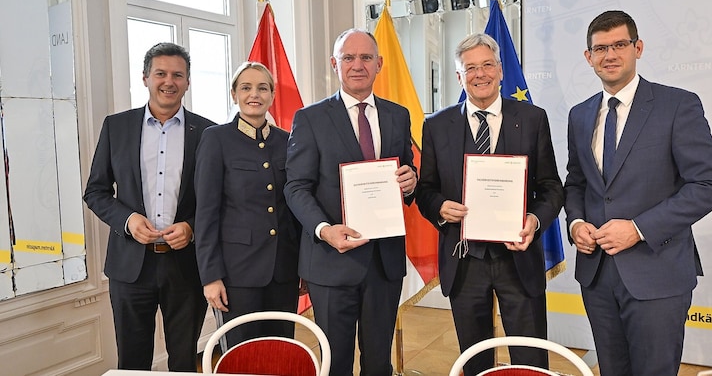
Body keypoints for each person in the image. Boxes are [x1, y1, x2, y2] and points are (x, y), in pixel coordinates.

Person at [564, 10, 712, 376]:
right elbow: (576, 183)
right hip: (597, 274)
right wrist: (576, 223)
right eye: (600, 48)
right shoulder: (580, 114)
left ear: (638, 48)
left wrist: (637, 228)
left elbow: (710, 184)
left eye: (619, 45)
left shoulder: (677, 105)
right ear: (588, 58)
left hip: (658, 272)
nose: (610, 55)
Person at [415, 33, 564, 376]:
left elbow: (552, 187)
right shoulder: (436, 125)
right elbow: (425, 189)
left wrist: (534, 220)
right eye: (470, 68)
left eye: (486, 65)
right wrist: (438, 207)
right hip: (464, 260)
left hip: (519, 258)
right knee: (475, 361)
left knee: (529, 360)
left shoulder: (532, 118)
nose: (479, 74)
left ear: (500, 70)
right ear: (459, 77)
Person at [284, 28, 417, 376]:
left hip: (383, 262)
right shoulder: (310, 118)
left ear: (379, 64)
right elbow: (296, 187)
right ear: (334, 64)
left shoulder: (398, 115)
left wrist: (410, 180)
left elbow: (407, 172)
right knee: (335, 363)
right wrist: (324, 230)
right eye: (348, 57)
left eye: (365, 57)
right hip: (330, 261)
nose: (357, 65)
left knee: (378, 363)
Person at [83, 42, 215, 371]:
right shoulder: (117, 127)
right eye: (160, 73)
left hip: (186, 266)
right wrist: (127, 220)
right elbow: (96, 191)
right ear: (145, 78)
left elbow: (219, 199)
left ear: (187, 82)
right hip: (130, 268)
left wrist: (192, 227)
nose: (168, 81)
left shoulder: (209, 132)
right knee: (132, 360)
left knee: (184, 360)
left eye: (177, 75)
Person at [194, 61, 301, 347]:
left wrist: (302, 266)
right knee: (242, 356)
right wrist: (211, 276)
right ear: (234, 94)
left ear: (272, 95)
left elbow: (293, 208)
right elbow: (205, 213)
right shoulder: (216, 139)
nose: (254, 94)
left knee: (281, 352)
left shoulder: (287, 141)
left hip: (283, 270)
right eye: (246, 87)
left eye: (262, 88)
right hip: (236, 274)